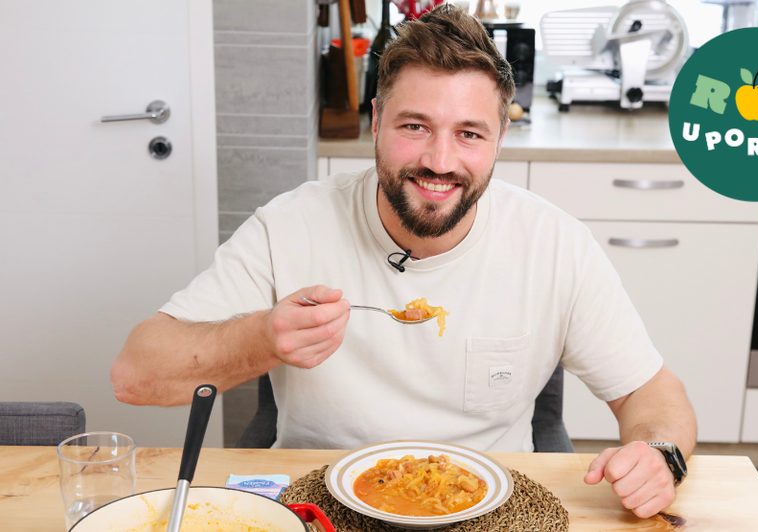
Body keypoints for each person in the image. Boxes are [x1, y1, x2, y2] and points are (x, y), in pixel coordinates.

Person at [111, 5, 697, 519]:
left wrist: (659, 453)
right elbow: (135, 375)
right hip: (320, 503)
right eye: (414, 127)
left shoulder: (555, 243)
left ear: (499, 140)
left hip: (493, 509)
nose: (440, 161)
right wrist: (263, 338)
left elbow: (652, 394)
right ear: (376, 122)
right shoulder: (289, 225)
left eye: (469, 133)